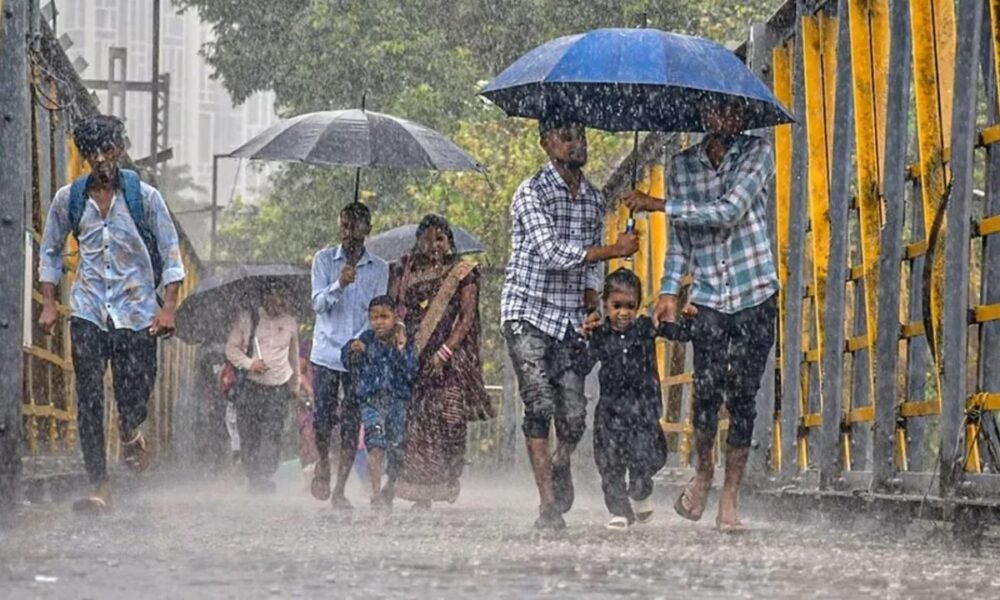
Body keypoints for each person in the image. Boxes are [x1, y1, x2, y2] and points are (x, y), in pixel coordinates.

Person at [623, 97, 779, 531]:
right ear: (705, 113)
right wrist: (668, 290)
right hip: (708, 294)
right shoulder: (682, 166)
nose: (728, 117)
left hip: (754, 290)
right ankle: (704, 470)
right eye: (719, 108)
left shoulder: (758, 153)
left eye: (736, 110)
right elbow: (680, 240)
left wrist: (658, 204)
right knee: (706, 392)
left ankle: (730, 496)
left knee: (743, 396)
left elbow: (729, 211)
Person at [37, 115, 185, 514]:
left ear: (119, 149)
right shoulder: (69, 200)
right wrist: (49, 302)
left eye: (107, 150)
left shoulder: (145, 199)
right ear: (85, 155)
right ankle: (99, 486)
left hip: (137, 313)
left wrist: (168, 308)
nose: (100, 158)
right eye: (92, 152)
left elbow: (171, 253)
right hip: (88, 310)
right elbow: (50, 250)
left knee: (134, 394)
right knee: (87, 399)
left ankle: (130, 427)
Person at [501, 114, 640, 530]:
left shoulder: (594, 199)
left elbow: (591, 266)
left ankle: (560, 461)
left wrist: (593, 295)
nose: (576, 143)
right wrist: (615, 249)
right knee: (539, 403)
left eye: (581, 136)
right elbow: (552, 252)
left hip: (568, 318)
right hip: (527, 311)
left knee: (575, 415)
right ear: (545, 143)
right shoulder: (531, 192)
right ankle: (548, 504)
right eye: (565, 137)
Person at [390, 215, 492, 508]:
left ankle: (450, 476)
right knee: (420, 426)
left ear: (450, 243)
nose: (434, 245)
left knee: (450, 420)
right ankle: (423, 494)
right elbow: (395, 307)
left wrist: (445, 351)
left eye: (440, 239)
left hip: (451, 359)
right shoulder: (405, 270)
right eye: (427, 239)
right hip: (415, 357)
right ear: (418, 242)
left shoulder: (463, 272)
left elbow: (467, 317)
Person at [309, 202, 389, 508]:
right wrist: (339, 284)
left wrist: (363, 340)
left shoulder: (380, 268)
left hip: (358, 356)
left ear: (367, 229)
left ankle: (340, 489)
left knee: (351, 422)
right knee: (322, 419)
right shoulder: (323, 260)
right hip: (326, 353)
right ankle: (323, 463)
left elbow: (378, 312)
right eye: (344, 225)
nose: (348, 232)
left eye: (354, 226)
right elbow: (318, 304)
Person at [580, 269, 668, 531]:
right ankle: (619, 510)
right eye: (616, 306)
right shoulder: (601, 335)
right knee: (609, 465)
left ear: (638, 306)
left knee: (650, 456)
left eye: (630, 306)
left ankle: (641, 490)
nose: (623, 313)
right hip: (611, 413)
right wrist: (581, 338)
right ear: (605, 305)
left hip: (644, 411)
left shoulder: (645, 328)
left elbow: (675, 330)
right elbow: (583, 364)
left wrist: (686, 319)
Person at [342, 296, 418, 512]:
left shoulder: (404, 341)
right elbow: (346, 361)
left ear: (395, 317)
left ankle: (390, 487)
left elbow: (411, 371)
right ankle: (375, 494)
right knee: (375, 444)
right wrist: (351, 350)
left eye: (384, 317)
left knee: (397, 447)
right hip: (371, 402)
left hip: (397, 403)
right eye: (374, 318)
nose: (379, 322)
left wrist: (401, 349)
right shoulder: (365, 339)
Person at [225, 281, 300, 493]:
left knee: (273, 432)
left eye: (284, 297)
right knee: (249, 433)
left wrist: (295, 384)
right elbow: (231, 349)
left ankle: (265, 475)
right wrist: (250, 363)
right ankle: (254, 477)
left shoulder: (291, 322)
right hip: (252, 386)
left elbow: (294, 355)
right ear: (266, 297)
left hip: (279, 387)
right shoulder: (248, 318)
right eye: (277, 296)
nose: (281, 302)